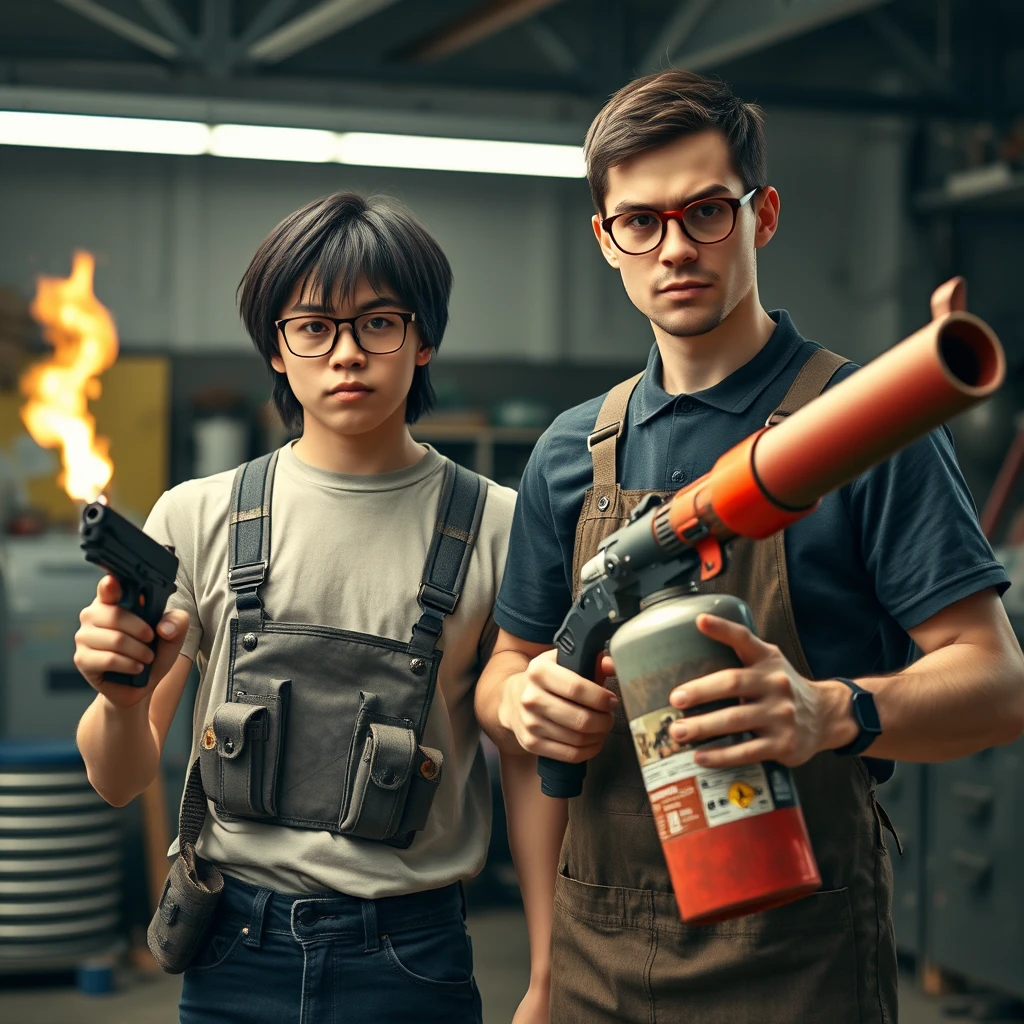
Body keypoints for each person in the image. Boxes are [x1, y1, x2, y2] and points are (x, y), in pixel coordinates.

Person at [475, 69, 1024, 1024]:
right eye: (640, 222)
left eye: (706, 212)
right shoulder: (570, 452)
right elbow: (502, 671)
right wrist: (524, 704)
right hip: (596, 958)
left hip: (798, 964)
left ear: (762, 213)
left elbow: (999, 686)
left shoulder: (863, 429)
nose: (675, 248)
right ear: (606, 239)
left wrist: (830, 712)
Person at [74, 191, 516, 1024]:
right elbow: (119, 777)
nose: (345, 353)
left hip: (414, 954)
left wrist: (551, 970)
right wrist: (117, 700)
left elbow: (528, 767)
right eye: (312, 326)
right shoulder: (196, 518)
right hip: (233, 947)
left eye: (378, 322)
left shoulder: (499, 523)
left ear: (423, 338)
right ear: (276, 350)